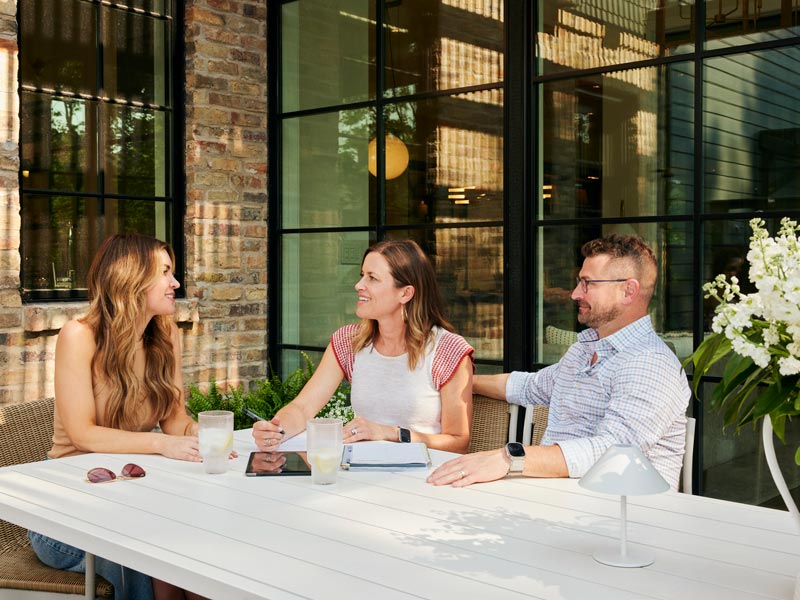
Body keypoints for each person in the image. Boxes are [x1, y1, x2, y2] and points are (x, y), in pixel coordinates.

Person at [427, 234, 690, 490]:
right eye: (579, 282)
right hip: (556, 498)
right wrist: (451, 379)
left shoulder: (650, 363)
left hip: (623, 511)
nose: (575, 294)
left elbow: (614, 452)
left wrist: (509, 458)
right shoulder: (584, 350)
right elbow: (528, 386)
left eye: (588, 283)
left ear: (628, 291)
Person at [28, 234, 209, 600]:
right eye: (165, 272)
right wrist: (162, 444)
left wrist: (204, 434)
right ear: (132, 278)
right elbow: (82, 435)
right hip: (66, 507)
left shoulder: (165, 334)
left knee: (199, 545)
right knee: (149, 551)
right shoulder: (80, 335)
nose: (176, 283)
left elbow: (175, 419)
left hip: (133, 492)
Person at [253, 239, 473, 453]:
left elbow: (458, 442)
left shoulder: (448, 351)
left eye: (372, 278)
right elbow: (303, 408)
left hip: (424, 472)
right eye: (362, 276)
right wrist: (276, 430)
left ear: (405, 293)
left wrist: (390, 433)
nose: (358, 285)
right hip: (359, 466)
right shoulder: (349, 342)